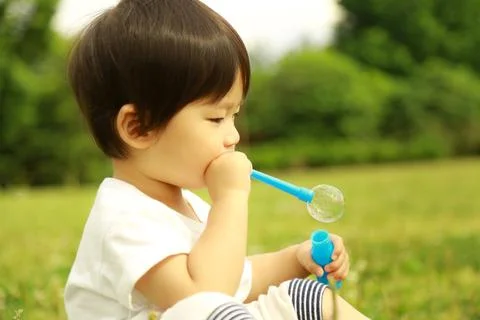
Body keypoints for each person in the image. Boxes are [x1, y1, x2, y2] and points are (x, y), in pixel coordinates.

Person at [64, 0, 370, 319]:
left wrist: (296, 259)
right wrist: (231, 197)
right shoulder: (123, 220)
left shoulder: (187, 206)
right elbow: (206, 298)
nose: (233, 136)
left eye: (234, 116)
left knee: (302, 296)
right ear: (138, 127)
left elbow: (236, 280)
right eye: (215, 118)